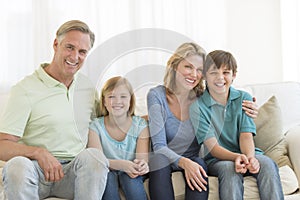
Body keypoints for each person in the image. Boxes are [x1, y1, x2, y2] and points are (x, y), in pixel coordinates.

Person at [0, 20, 109, 200]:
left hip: (73, 173)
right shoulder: (25, 89)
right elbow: (2, 144)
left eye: (82, 52)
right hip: (35, 172)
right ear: (56, 45)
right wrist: (38, 153)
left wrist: (149, 118)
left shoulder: (87, 87)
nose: (75, 57)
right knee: (16, 166)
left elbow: (106, 123)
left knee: (95, 157)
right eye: (69, 47)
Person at [147, 42, 258, 200]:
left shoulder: (204, 99)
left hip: (194, 158)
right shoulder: (156, 95)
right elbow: (159, 147)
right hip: (164, 158)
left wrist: (251, 107)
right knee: (159, 160)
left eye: (199, 70)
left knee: (200, 164)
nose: (193, 74)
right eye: (188, 67)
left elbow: (230, 102)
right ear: (175, 66)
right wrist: (185, 163)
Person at [190, 50, 284, 200]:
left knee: (267, 164)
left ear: (233, 75)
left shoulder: (244, 98)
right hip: (218, 159)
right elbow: (213, 148)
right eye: (214, 72)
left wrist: (250, 158)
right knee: (229, 169)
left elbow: (246, 136)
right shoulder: (197, 107)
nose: (220, 77)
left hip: (247, 153)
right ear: (205, 76)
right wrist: (237, 157)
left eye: (226, 72)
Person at [88, 76, 150, 200]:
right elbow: (98, 161)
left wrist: (143, 165)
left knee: (130, 179)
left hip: (131, 172)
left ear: (130, 101)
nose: (117, 101)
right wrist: (121, 165)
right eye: (111, 97)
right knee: (107, 177)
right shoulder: (95, 126)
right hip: (106, 170)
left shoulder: (140, 125)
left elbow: (142, 159)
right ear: (104, 102)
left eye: (123, 96)